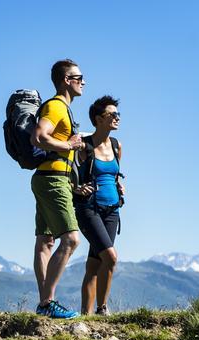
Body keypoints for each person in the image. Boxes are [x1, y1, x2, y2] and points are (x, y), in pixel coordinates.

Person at [30, 60, 87, 320]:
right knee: (71, 239)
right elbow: (39, 137)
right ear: (67, 80)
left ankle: (44, 304)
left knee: (46, 241)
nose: (83, 81)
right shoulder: (55, 106)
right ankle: (48, 302)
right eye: (79, 77)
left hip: (48, 177)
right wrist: (69, 146)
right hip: (52, 179)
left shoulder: (62, 109)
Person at [75, 96, 124, 315]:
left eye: (118, 114)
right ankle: (102, 309)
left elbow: (114, 174)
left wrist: (119, 186)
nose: (117, 118)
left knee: (94, 265)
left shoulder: (116, 145)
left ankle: (86, 317)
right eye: (111, 114)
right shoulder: (85, 146)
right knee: (110, 257)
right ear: (98, 119)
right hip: (89, 209)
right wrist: (76, 188)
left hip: (112, 210)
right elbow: (68, 173)